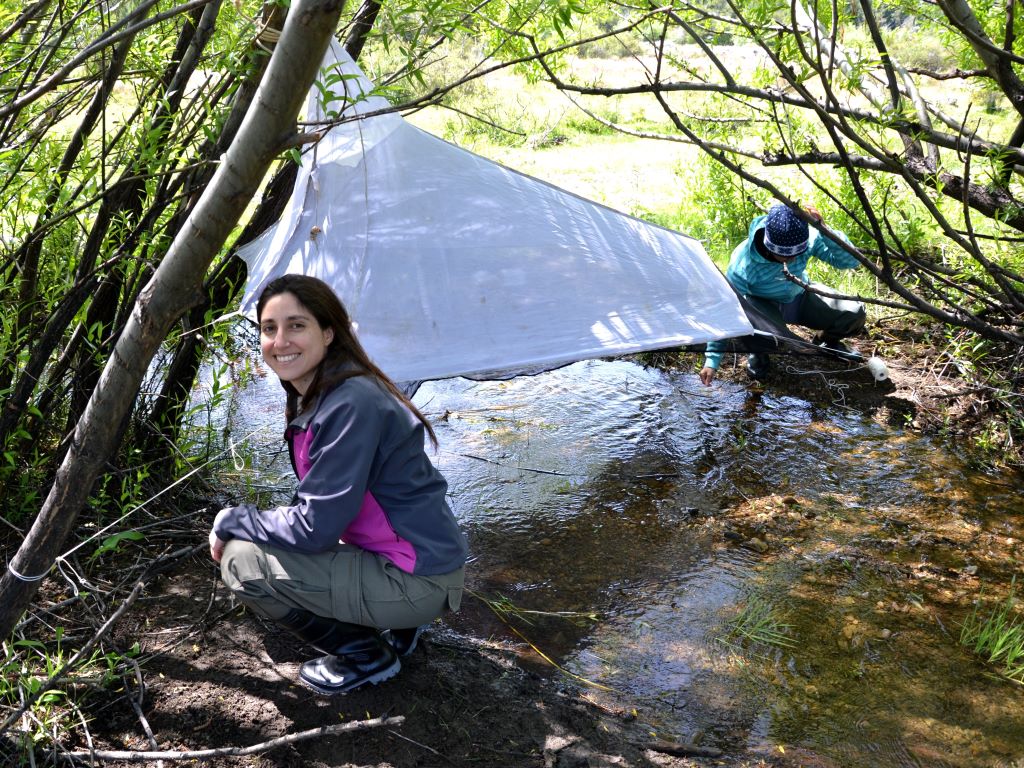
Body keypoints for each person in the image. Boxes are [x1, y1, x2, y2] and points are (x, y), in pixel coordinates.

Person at [209, 274, 468, 695]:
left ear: (328, 333)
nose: (281, 340)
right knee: (272, 539)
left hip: (417, 578)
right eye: (269, 329)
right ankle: (401, 626)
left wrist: (231, 519)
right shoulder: (335, 389)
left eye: (297, 325)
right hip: (421, 562)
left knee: (241, 561)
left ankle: (367, 655)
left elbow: (314, 528)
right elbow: (324, 506)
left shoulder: (350, 404)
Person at [699, 203, 866, 385]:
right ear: (769, 246)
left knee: (854, 313)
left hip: (800, 296)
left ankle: (826, 341)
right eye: (785, 256)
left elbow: (849, 261)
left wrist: (824, 230)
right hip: (764, 306)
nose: (793, 259)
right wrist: (712, 360)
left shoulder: (807, 238)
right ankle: (759, 353)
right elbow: (727, 309)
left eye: (798, 253)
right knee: (765, 333)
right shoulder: (743, 265)